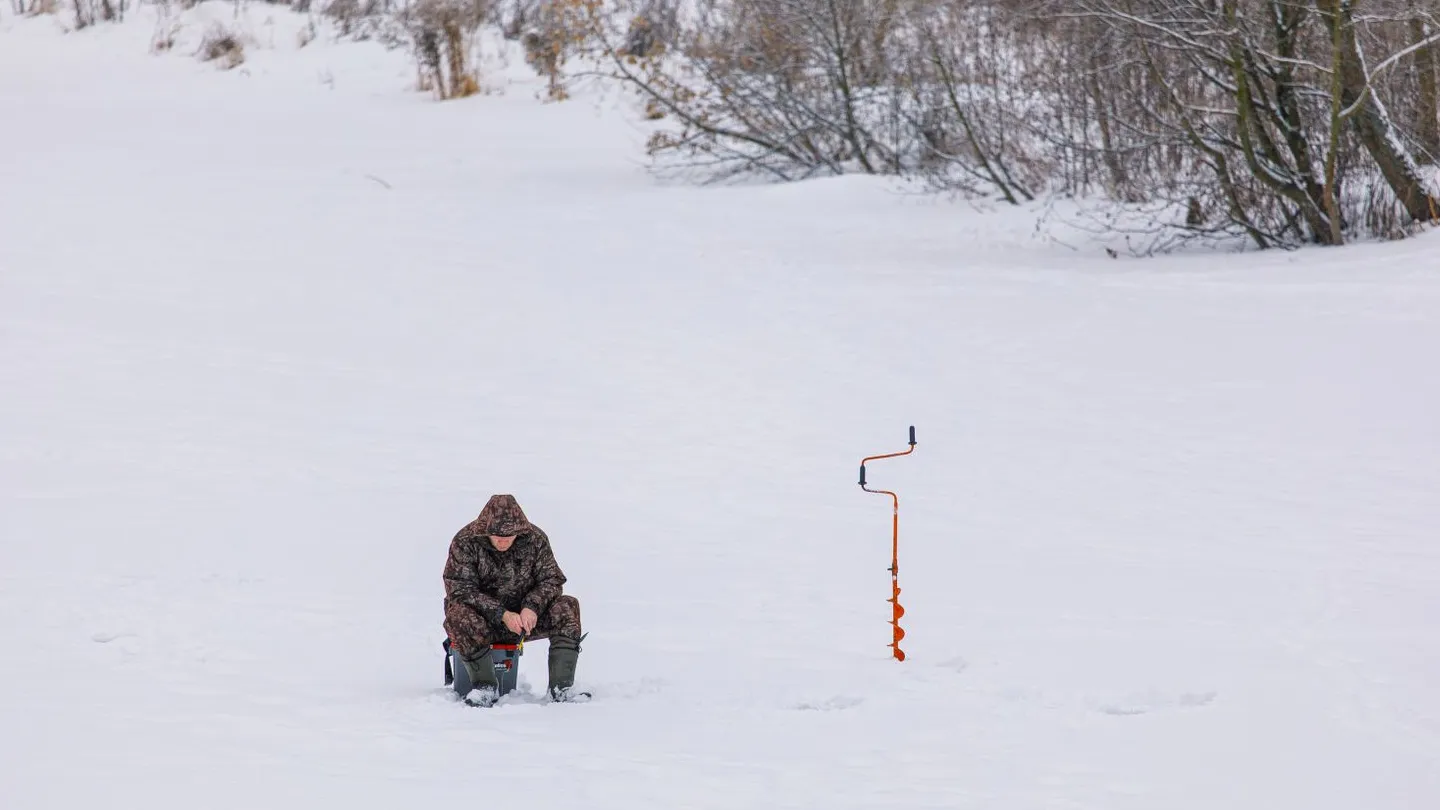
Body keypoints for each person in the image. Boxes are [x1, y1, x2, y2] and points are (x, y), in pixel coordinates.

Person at [442, 494, 588, 706]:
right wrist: (502, 614)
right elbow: (459, 589)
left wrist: (532, 608)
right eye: (497, 536)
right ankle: (484, 688)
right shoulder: (465, 541)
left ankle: (561, 688)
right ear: (486, 530)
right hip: (482, 623)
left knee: (567, 606)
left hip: (524, 622)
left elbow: (552, 579)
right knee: (458, 615)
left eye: (509, 536)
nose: (503, 541)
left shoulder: (535, 539)